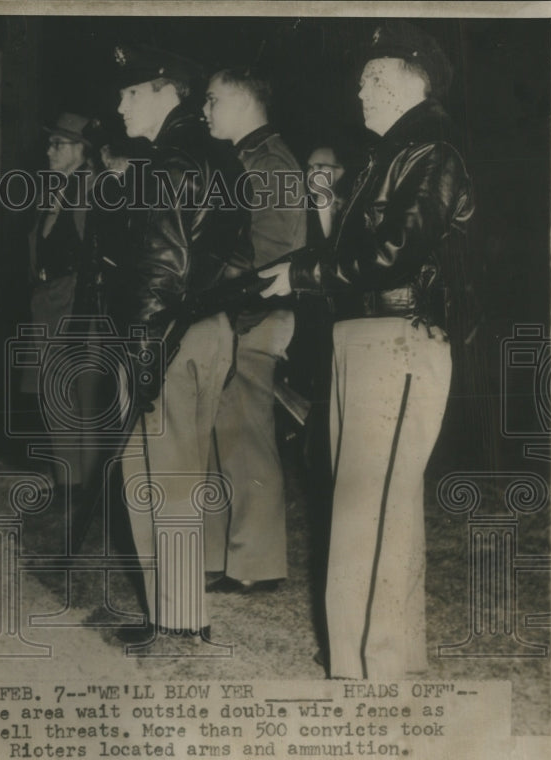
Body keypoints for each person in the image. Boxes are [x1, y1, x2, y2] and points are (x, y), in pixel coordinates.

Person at [259, 21, 475, 679]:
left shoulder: (432, 154)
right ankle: (390, 662)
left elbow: (389, 255)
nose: (360, 94)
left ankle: (366, 677)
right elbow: (353, 252)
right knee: (381, 507)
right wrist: (293, 271)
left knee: (366, 510)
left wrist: (301, 276)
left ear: (404, 82)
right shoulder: (392, 157)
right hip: (365, 337)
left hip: (397, 339)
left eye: (369, 81)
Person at [112, 44, 245, 643]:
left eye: (131, 91)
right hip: (207, 330)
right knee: (179, 476)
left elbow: (161, 270)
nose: (119, 104)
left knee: (155, 478)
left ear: (169, 92)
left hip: (165, 335)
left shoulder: (166, 164)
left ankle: (177, 619)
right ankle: (181, 614)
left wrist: (143, 355)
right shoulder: (221, 158)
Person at [201, 68, 306, 595]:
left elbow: (274, 253)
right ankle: (226, 556)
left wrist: (223, 301)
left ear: (245, 99)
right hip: (235, 313)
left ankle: (257, 564)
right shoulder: (242, 160)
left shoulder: (271, 162)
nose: (205, 109)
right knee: (225, 437)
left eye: (214, 99)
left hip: (255, 314)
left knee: (248, 441)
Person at [23, 113, 105, 504]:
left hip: (77, 300)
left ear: (82, 150)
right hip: (48, 299)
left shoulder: (90, 190)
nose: (49, 150)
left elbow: (97, 255)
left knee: (83, 395)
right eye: (50, 143)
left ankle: (87, 490)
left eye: (59, 144)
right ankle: (67, 484)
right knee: (54, 393)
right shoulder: (53, 189)